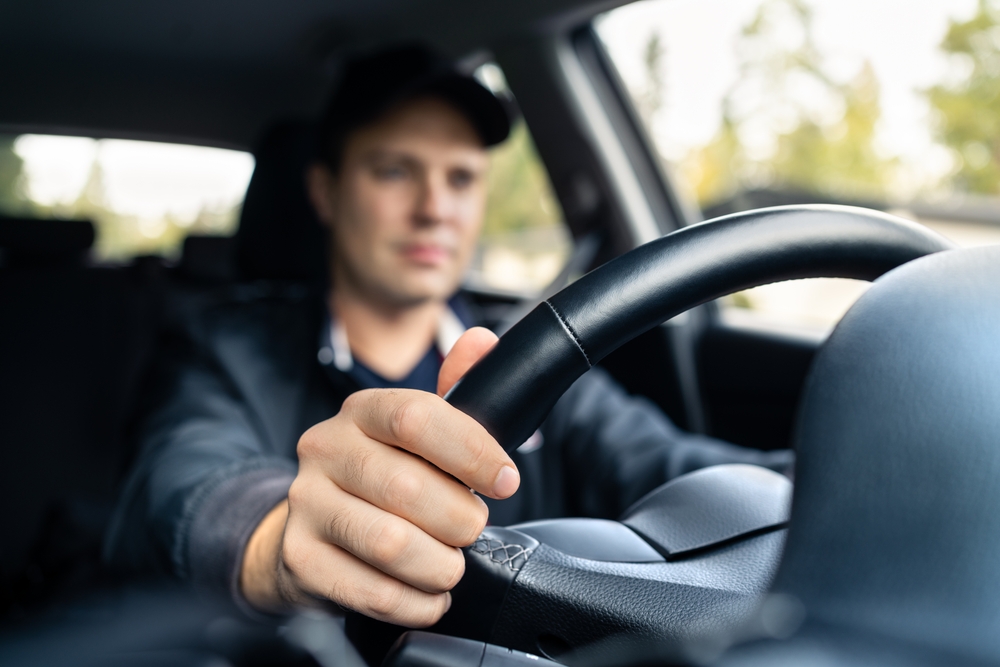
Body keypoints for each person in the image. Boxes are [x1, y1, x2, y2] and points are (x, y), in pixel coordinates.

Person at [106, 45, 792, 629]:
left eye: (460, 178)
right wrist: (281, 542)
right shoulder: (221, 344)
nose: (434, 208)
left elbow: (669, 464)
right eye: (394, 170)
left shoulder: (533, 353)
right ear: (325, 191)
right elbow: (184, 485)